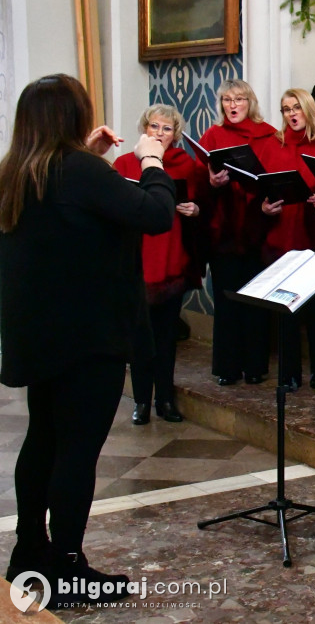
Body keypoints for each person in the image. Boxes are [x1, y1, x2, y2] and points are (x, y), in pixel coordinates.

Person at [0, 74, 175, 607]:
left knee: (43, 439)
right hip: (90, 334)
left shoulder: (17, 170)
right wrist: (152, 160)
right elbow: (156, 214)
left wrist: (92, 158)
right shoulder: (75, 170)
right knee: (77, 450)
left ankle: (30, 550)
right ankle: (69, 568)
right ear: (74, 117)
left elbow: (70, 212)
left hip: (39, 332)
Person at [113, 104, 207, 425]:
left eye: (167, 129)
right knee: (141, 338)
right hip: (138, 260)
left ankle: (165, 399)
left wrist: (195, 210)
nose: (160, 133)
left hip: (172, 257)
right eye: (154, 127)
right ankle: (141, 400)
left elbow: (201, 208)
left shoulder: (185, 166)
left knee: (167, 337)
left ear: (176, 134)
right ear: (145, 129)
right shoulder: (125, 163)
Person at [255, 88, 315, 389]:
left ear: (308, 109)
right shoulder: (271, 145)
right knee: (285, 311)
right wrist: (264, 207)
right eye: (285, 109)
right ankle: (289, 373)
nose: (291, 114)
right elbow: (258, 190)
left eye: (296, 108)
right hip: (281, 237)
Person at [201, 79, 277, 387]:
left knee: (255, 299)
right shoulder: (213, 136)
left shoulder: (269, 135)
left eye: (239, 100)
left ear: (250, 103)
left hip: (258, 226)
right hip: (225, 230)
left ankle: (255, 365)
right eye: (227, 100)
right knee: (227, 299)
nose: (233, 105)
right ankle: (227, 367)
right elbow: (197, 180)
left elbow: (275, 177)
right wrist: (212, 183)